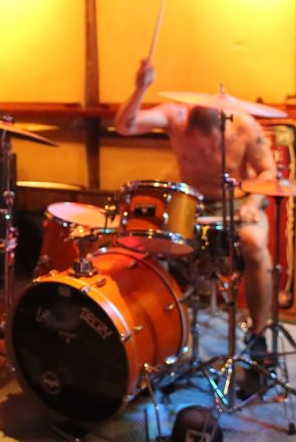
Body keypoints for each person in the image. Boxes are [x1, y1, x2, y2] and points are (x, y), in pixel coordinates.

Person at [114, 58, 278, 353]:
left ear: (224, 129)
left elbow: (268, 171)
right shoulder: (175, 115)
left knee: (254, 244)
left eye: (212, 146)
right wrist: (140, 88)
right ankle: (160, 327)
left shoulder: (244, 126)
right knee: (150, 243)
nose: (204, 151)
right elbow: (125, 126)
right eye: (196, 145)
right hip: (192, 204)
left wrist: (254, 203)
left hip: (237, 202)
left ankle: (258, 332)